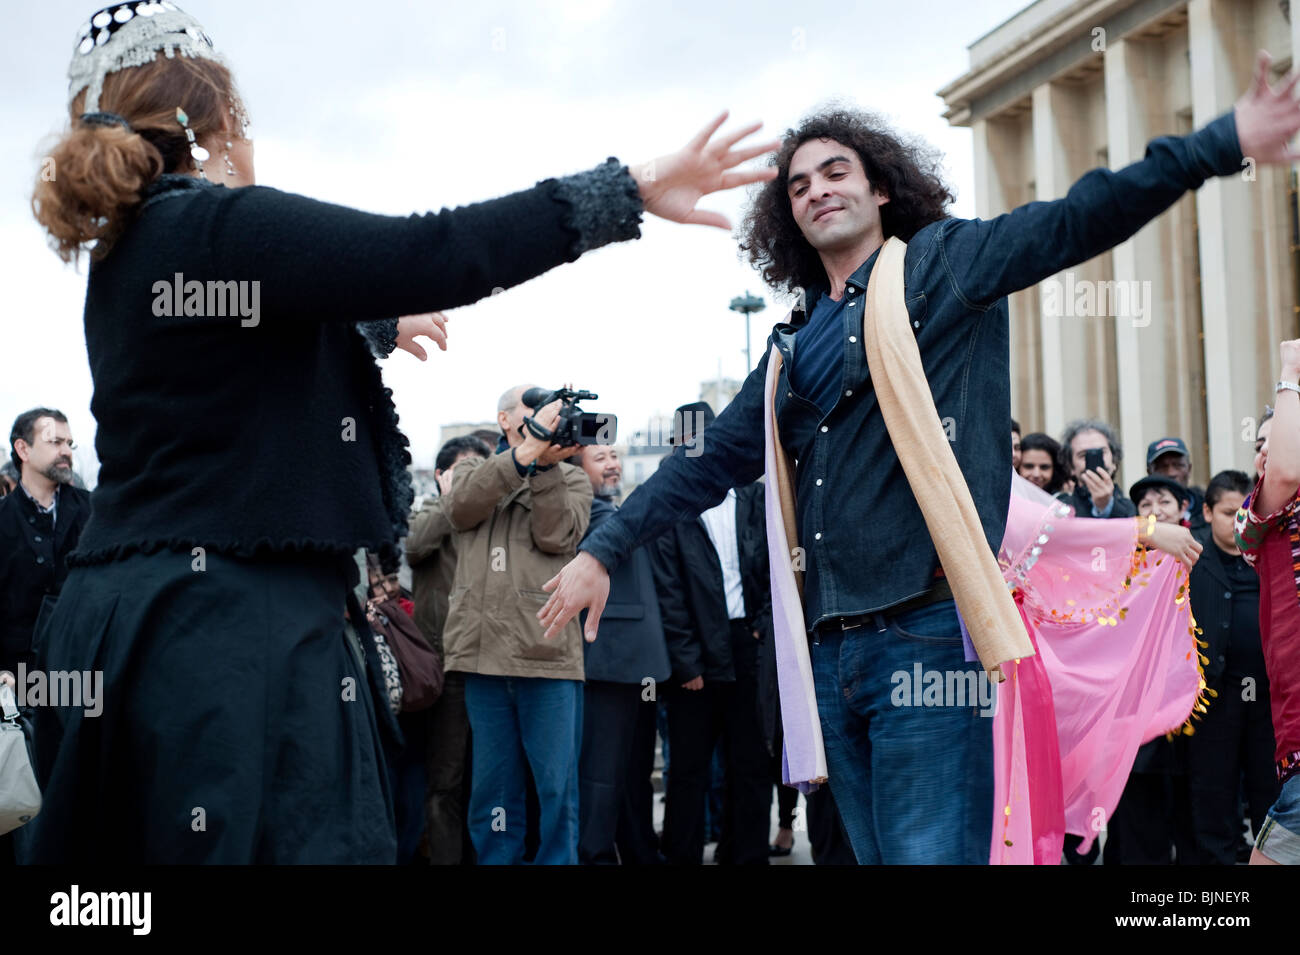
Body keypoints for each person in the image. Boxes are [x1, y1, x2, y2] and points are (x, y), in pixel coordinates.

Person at [24, 2, 775, 864]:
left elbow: (226, 378)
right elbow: (435, 247)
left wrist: (369, 323)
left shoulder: (136, 251)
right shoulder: (212, 224)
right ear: (220, 124)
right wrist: (629, 191)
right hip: (224, 632)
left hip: (143, 623)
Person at [538, 56, 1298, 864]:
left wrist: (1223, 142)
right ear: (785, 217)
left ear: (882, 190)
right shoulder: (790, 353)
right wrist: (603, 548)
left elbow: (1080, 216)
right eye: (797, 186)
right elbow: (701, 465)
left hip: (929, 642)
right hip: (829, 654)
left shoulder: (945, 266)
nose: (817, 190)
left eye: (837, 172)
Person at [441, 386, 595, 865]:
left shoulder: (573, 479)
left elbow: (555, 537)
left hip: (547, 655)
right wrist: (524, 456)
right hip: (483, 656)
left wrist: (544, 466)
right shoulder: (471, 469)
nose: (549, 417)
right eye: (535, 410)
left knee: (556, 791)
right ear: (506, 420)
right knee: (493, 793)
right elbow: (461, 506)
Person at [647, 402, 772, 865]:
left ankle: (746, 855)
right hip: (693, 658)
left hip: (748, 648)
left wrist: (760, 630)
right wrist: (687, 662)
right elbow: (667, 591)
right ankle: (681, 856)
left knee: (752, 766)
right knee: (688, 771)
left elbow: (777, 572)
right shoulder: (666, 503)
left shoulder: (754, 497)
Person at [574, 440, 671, 865]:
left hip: (641, 668)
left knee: (632, 777)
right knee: (601, 778)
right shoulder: (587, 516)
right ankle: (595, 855)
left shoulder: (615, 512)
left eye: (615, 456)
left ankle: (638, 853)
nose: (613, 465)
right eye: (601, 459)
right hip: (605, 666)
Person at [407, 434, 491, 865]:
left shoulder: (494, 518)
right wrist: (449, 500)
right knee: (446, 782)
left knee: (489, 782)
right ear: (440, 476)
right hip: (447, 667)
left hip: (493, 665)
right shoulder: (429, 511)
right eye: (464, 473)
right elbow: (415, 545)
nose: (474, 482)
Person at [1186, 469, 1278, 864]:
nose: (1237, 519)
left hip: (1268, 697)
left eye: (1244, 510)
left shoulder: (1268, 554)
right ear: (1207, 512)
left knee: (1268, 789)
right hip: (1213, 698)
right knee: (1214, 789)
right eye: (1227, 512)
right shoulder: (1191, 557)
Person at [1235, 342, 1300, 865]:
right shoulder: (1258, 520)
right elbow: (1281, 475)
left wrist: (1290, 369)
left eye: (1276, 439)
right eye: (1260, 442)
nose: (1267, 453)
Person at [0, 409, 92, 681]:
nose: (66, 451)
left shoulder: (96, 512)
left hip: (84, 682)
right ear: (23, 449)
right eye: (55, 442)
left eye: (69, 443)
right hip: (15, 685)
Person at [1058, 419, 1136, 519]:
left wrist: (1106, 506)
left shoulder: (1134, 506)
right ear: (1070, 467)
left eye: (1101, 453)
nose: (1095, 463)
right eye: (1083, 455)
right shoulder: (1060, 509)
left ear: (1114, 461)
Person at [1147, 436, 1206, 530]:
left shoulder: (1207, 508)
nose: (1171, 473)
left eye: (1178, 465)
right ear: (1149, 472)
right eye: (1163, 467)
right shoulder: (1137, 515)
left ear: (1189, 469)